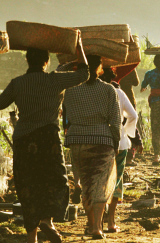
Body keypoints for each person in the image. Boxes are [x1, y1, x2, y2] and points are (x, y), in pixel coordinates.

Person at [0, 48, 89, 243]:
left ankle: (32, 237)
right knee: (54, 182)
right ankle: (47, 220)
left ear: (27, 60)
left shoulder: (17, 83)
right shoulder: (56, 80)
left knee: (28, 186)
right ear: (46, 61)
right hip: (48, 140)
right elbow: (84, 74)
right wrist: (78, 46)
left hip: (24, 141)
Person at [64, 55, 121, 240]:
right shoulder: (109, 90)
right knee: (101, 185)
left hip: (77, 141)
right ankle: (97, 227)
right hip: (103, 141)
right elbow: (115, 120)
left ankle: (91, 225)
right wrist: (116, 143)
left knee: (87, 183)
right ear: (100, 69)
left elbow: (65, 118)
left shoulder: (70, 91)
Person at [102, 74, 138, 234]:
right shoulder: (119, 92)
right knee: (115, 182)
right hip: (119, 144)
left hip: (98, 142)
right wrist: (126, 131)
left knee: (98, 180)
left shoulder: (91, 90)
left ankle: (94, 222)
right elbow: (133, 115)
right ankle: (111, 222)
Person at [118, 69, 144, 166]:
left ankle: (119, 155)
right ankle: (129, 158)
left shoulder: (113, 67)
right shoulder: (130, 68)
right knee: (131, 126)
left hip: (114, 97)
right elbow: (136, 82)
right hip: (129, 98)